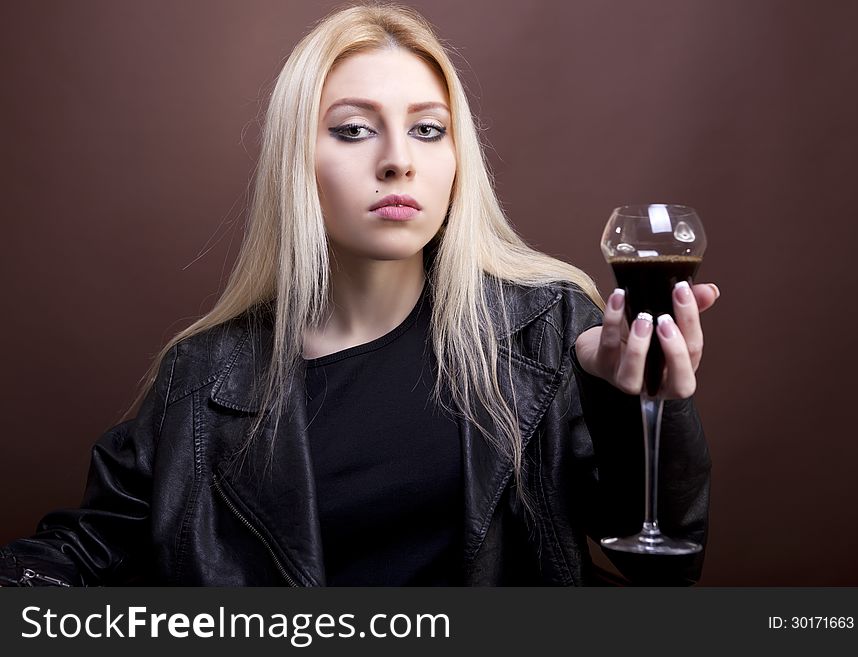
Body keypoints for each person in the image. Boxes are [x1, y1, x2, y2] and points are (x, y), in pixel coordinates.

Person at [0, 1, 719, 587]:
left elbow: (663, 565)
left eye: (428, 131)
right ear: (297, 163)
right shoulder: (200, 377)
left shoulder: (554, 326)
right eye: (352, 130)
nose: (399, 161)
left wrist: (636, 405)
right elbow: (85, 553)